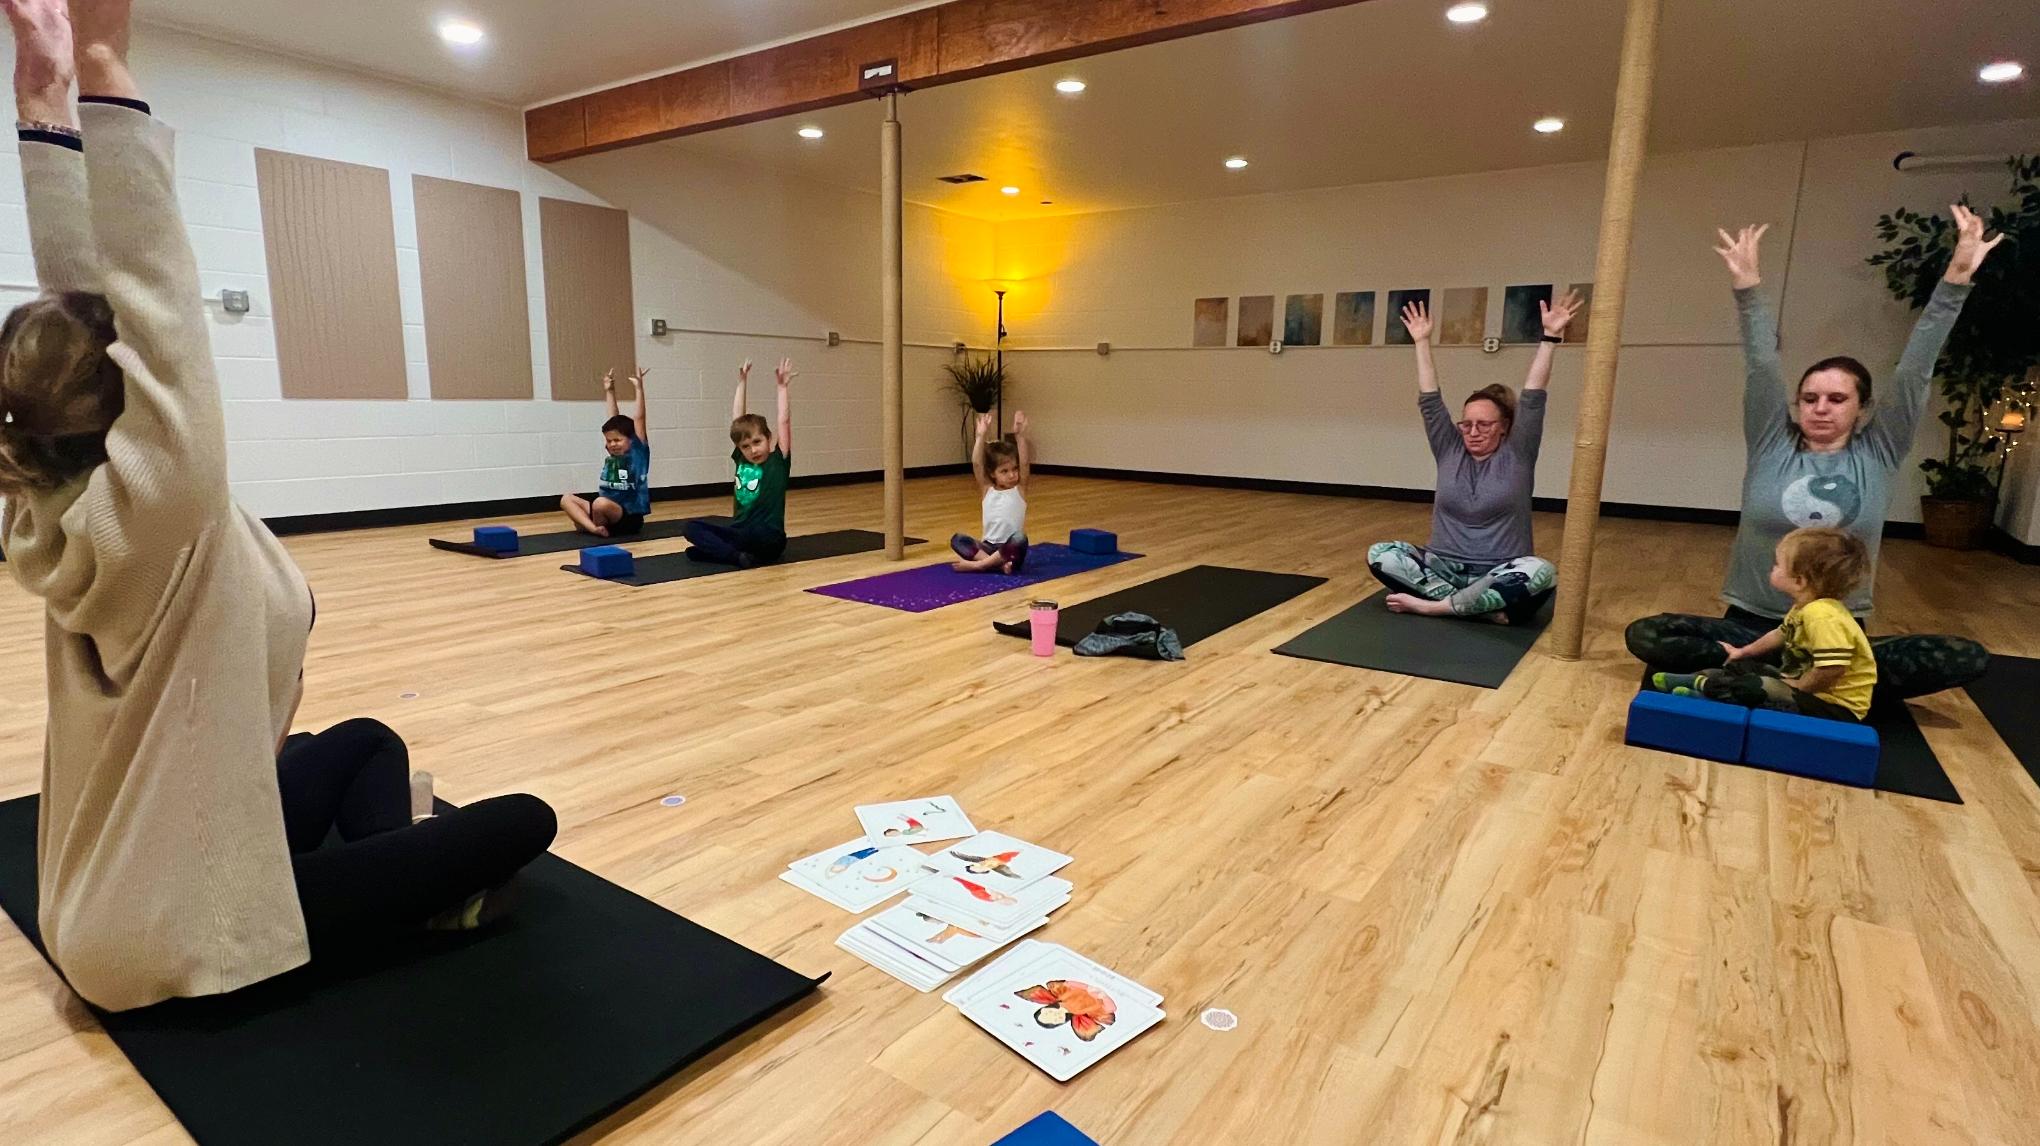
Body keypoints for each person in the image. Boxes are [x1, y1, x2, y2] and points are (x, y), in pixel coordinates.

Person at [0, 0, 554, 1011]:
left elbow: (82, 309)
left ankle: (382, 885)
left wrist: (43, 101)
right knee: (524, 822)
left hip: (101, 897)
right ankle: (401, 907)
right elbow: (153, 291)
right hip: (171, 935)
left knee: (366, 744)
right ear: (130, 401)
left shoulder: (52, 496)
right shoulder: (163, 503)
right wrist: (103, 66)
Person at [1624, 213, 2000, 700]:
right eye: (1809, 398)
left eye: (1837, 399)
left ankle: (1780, 675)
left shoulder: (1879, 451)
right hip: (1750, 624)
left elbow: (1915, 372)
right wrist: (1747, 288)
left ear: (1862, 408)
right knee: (1647, 635)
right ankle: (1788, 677)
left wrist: (1955, 281)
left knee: (1965, 656)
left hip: (1835, 631)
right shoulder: (1772, 444)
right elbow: (1762, 365)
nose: (1821, 408)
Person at [1364, 290, 1582, 624]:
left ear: (1504, 427)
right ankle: (1478, 609)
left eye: (1484, 424)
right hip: (1443, 570)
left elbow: (1533, 396)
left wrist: (1550, 338)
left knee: (1541, 571)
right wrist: (1421, 341)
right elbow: (1430, 400)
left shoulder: (1518, 453)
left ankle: (1435, 607)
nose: (1473, 431)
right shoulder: (1449, 449)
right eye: (1466, 424)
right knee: (1382, 554)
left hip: (1498, 572)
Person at [1648, 527, 1876, 723]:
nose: (1773, 568)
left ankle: (1707, 692)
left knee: (1757, 687)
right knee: (1745, 667)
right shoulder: (1805, 608)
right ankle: (1705, 682)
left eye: (1778, 565)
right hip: (1804, 689)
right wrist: (1743, 652)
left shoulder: (1823, 616)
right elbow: (1779, 634)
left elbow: (1832, 669)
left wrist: (1799, 687)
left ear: (1799, 581)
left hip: (1834, 709)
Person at [686, 358, 794, 567]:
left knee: (709, 546)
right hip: (741, 532)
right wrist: (742, 381)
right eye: (745, 446)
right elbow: (737, 418)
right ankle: (737, 557)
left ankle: (726, 553)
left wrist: (782, 388)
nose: (752, 450)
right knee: (690, 528)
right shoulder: (741, 459)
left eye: (757, 442)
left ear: (768, 438)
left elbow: (784, 420)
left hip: (769, 538)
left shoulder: (778, 461)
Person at [559, 366, 651, 537]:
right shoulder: (614, 455)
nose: (612, 444)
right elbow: (612, 418)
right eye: (609, 441)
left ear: (632, 439)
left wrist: (639, 388)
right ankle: (593, 527)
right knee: (567, 499)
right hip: (604, 509)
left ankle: (587, 525)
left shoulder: (637, 453)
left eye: (617, 440)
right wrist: (610, 391)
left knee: (600, 503)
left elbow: (639, 418)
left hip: (628, 517)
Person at [951, 410, 1032, 574]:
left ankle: (980, 565)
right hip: (987, 547)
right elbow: (977, 464)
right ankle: (998, 565)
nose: (1012, 475)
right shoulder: (987, 489)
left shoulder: (1019, 489)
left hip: (1009, 550)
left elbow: (1024, 463)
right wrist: (980, 437)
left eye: (1014, 469)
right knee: (958, 539)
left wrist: (1019, 436)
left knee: (1020, 538)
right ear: (992, 473)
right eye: (1004, 471)